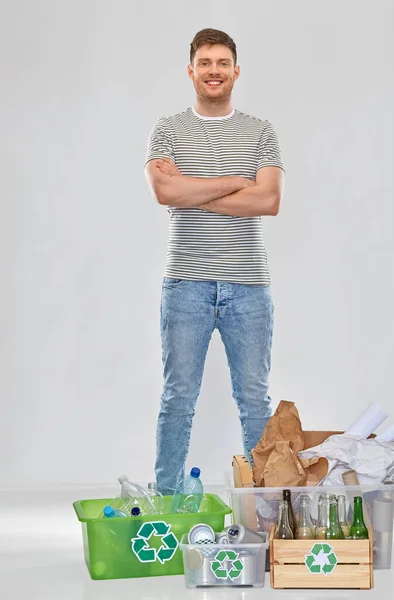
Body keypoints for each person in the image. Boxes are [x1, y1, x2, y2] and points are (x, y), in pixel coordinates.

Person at [144, 28, 285, 494]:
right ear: (191, 71)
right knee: (177, 398)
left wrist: (194, 190)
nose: (214, 71)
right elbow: (165, 191)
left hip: (248, 286)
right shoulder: (167, 129)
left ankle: (264, 506)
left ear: (236, 71)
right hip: (185, 283)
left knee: (253, 401)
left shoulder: (260, 131)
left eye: (222, 63)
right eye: (205, 63)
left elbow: (268, 201)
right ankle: (166, 500)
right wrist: (234, 182)